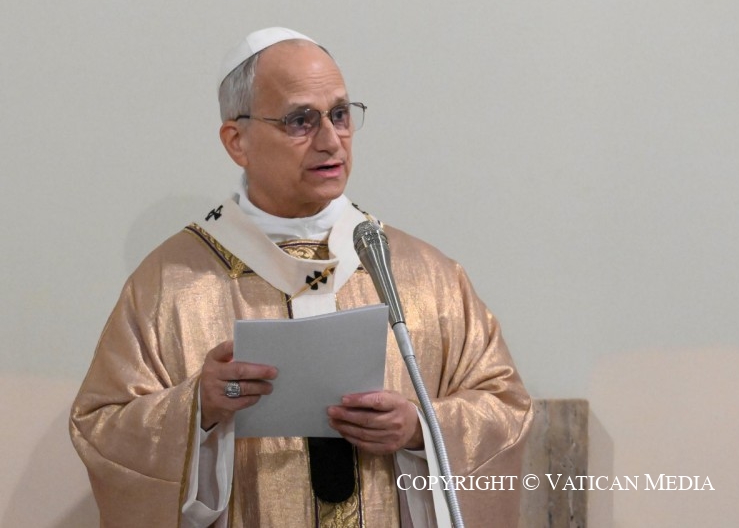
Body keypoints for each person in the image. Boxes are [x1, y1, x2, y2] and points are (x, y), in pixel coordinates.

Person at [70, 27, 532, 527]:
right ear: (237, 141)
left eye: (340, 114)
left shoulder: (425, 276)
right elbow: (102, 429)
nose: (331, 140)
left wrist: (421, 428)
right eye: (300, 120)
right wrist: (197, 409)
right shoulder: (171, 285)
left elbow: (506, 409)